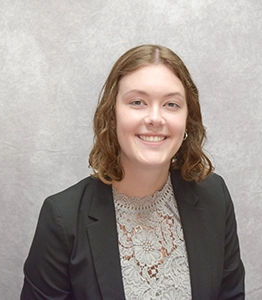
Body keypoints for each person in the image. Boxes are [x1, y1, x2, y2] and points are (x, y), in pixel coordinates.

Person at [21, 44, 245, 300]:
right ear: (112, 116)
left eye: (171, 104)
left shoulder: (215, 197)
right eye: (137, 102)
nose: (155, 118)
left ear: (187, 121)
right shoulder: (62, 218)